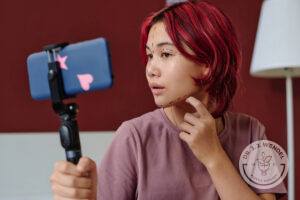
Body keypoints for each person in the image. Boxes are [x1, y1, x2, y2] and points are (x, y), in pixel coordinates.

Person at [49, 1, 288, 200]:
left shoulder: (252, 133)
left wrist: (214, 156)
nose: (151, 69)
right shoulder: (134, 137)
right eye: (150, 55)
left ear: (208, 64)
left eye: (165, 54)